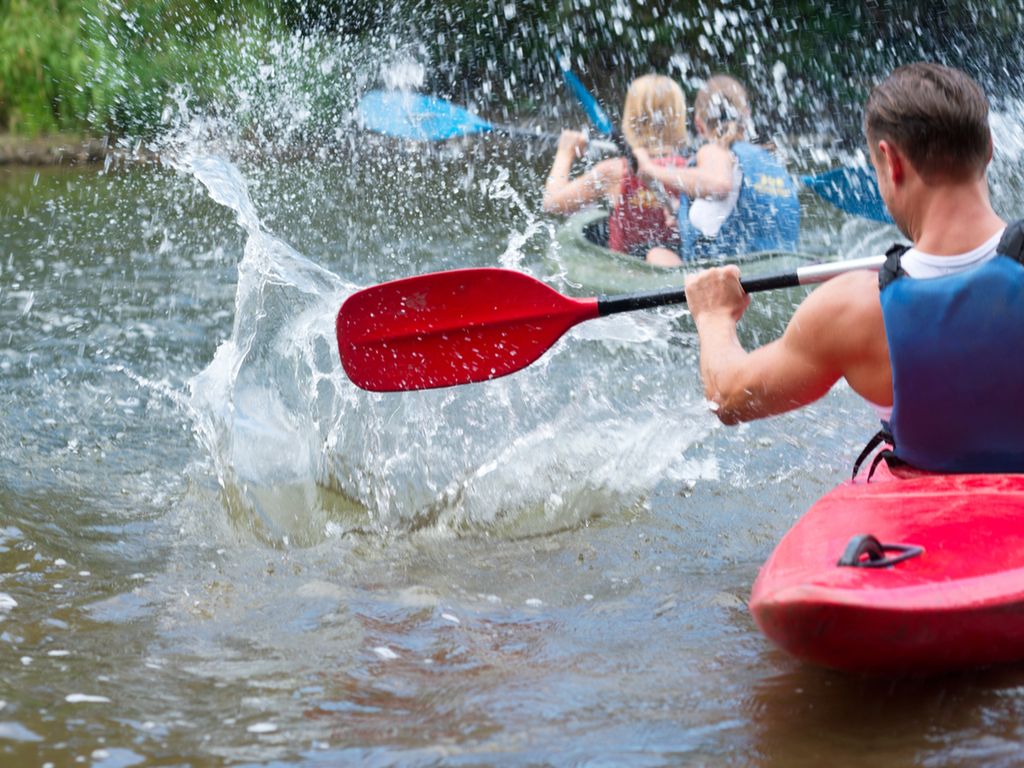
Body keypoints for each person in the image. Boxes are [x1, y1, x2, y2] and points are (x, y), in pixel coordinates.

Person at [682, 62, 1024, 475]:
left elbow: (729, 396)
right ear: (988, 147)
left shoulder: (854, 309)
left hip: (927, 530)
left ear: (890, 161)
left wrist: (713, 315)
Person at [635, 75, 800, 267]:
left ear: (698, 124)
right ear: (746, 115)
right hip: (781, 273)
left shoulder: (715, 150)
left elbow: (719, 184)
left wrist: (651, 169)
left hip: (731, 283)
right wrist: (682, 215)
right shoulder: (770, 160)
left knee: (655, 253)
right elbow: (737, 209)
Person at [542, 74, 689, 260]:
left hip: (629, 271)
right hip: (679, 260)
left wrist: (565, 152)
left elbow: (552, 203)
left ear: (631, 118)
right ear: (679, 117)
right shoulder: (693, 167)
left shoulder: (615, 172)